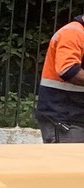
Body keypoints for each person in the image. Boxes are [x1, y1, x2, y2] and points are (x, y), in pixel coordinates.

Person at [37, 12, 84, 142]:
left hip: (73, 115)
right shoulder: (73, 33)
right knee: (69, 155)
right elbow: (68, 70)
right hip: (63, 117)